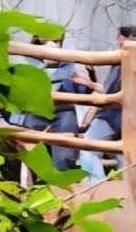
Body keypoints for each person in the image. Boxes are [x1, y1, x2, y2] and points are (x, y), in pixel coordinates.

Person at [72, 25, 136, 182]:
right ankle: (130, 190)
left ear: (125, 38)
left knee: (89, 147)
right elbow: (108, 89)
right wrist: (88, 83)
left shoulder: (122, 59)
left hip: (113, 115)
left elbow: (111, 93)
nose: (117, 40)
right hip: (132, 118)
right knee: (126, 155)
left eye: (118, 37)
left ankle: (94, 185)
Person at [11, 37, 89, 171]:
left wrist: (86, 78)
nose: (52, 44)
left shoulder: (70, 65)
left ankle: (63, 186)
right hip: (35, 112)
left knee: (64, 157)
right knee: (32, 157)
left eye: (56, 41)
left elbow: (83, 91)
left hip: (63, 112)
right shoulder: (28, 65)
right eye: (46, 41)